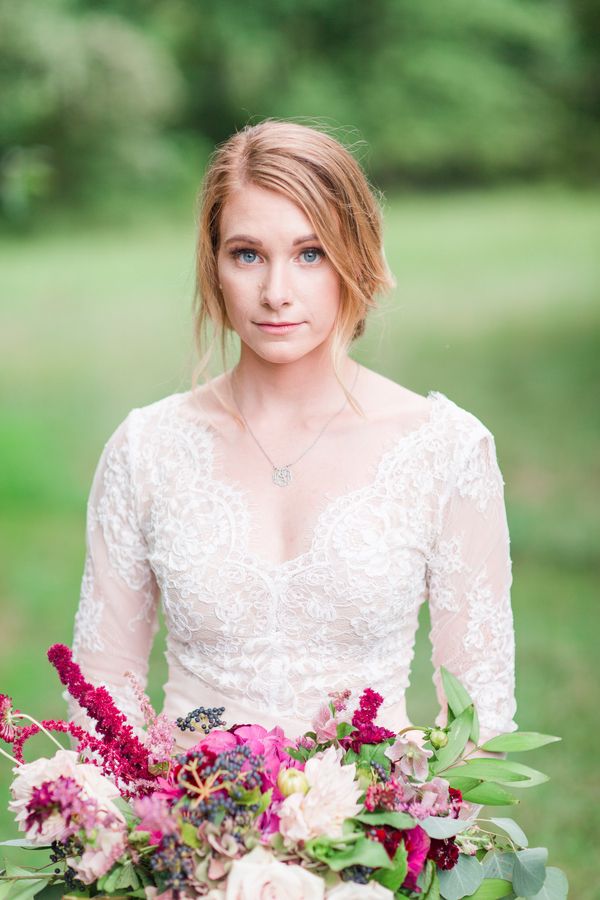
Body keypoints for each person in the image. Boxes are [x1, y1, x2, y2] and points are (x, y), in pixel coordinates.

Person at [67, 120, 516, 750]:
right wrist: (155, 823)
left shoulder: (444, 449)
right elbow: (104, 683)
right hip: (189, 827)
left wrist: (401, 827)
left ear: (354, 257)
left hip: (373, 839)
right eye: (247, 254)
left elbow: (480, 712)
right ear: (214, 265)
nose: (276, 293)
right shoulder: (147, 449)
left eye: (311, 255)